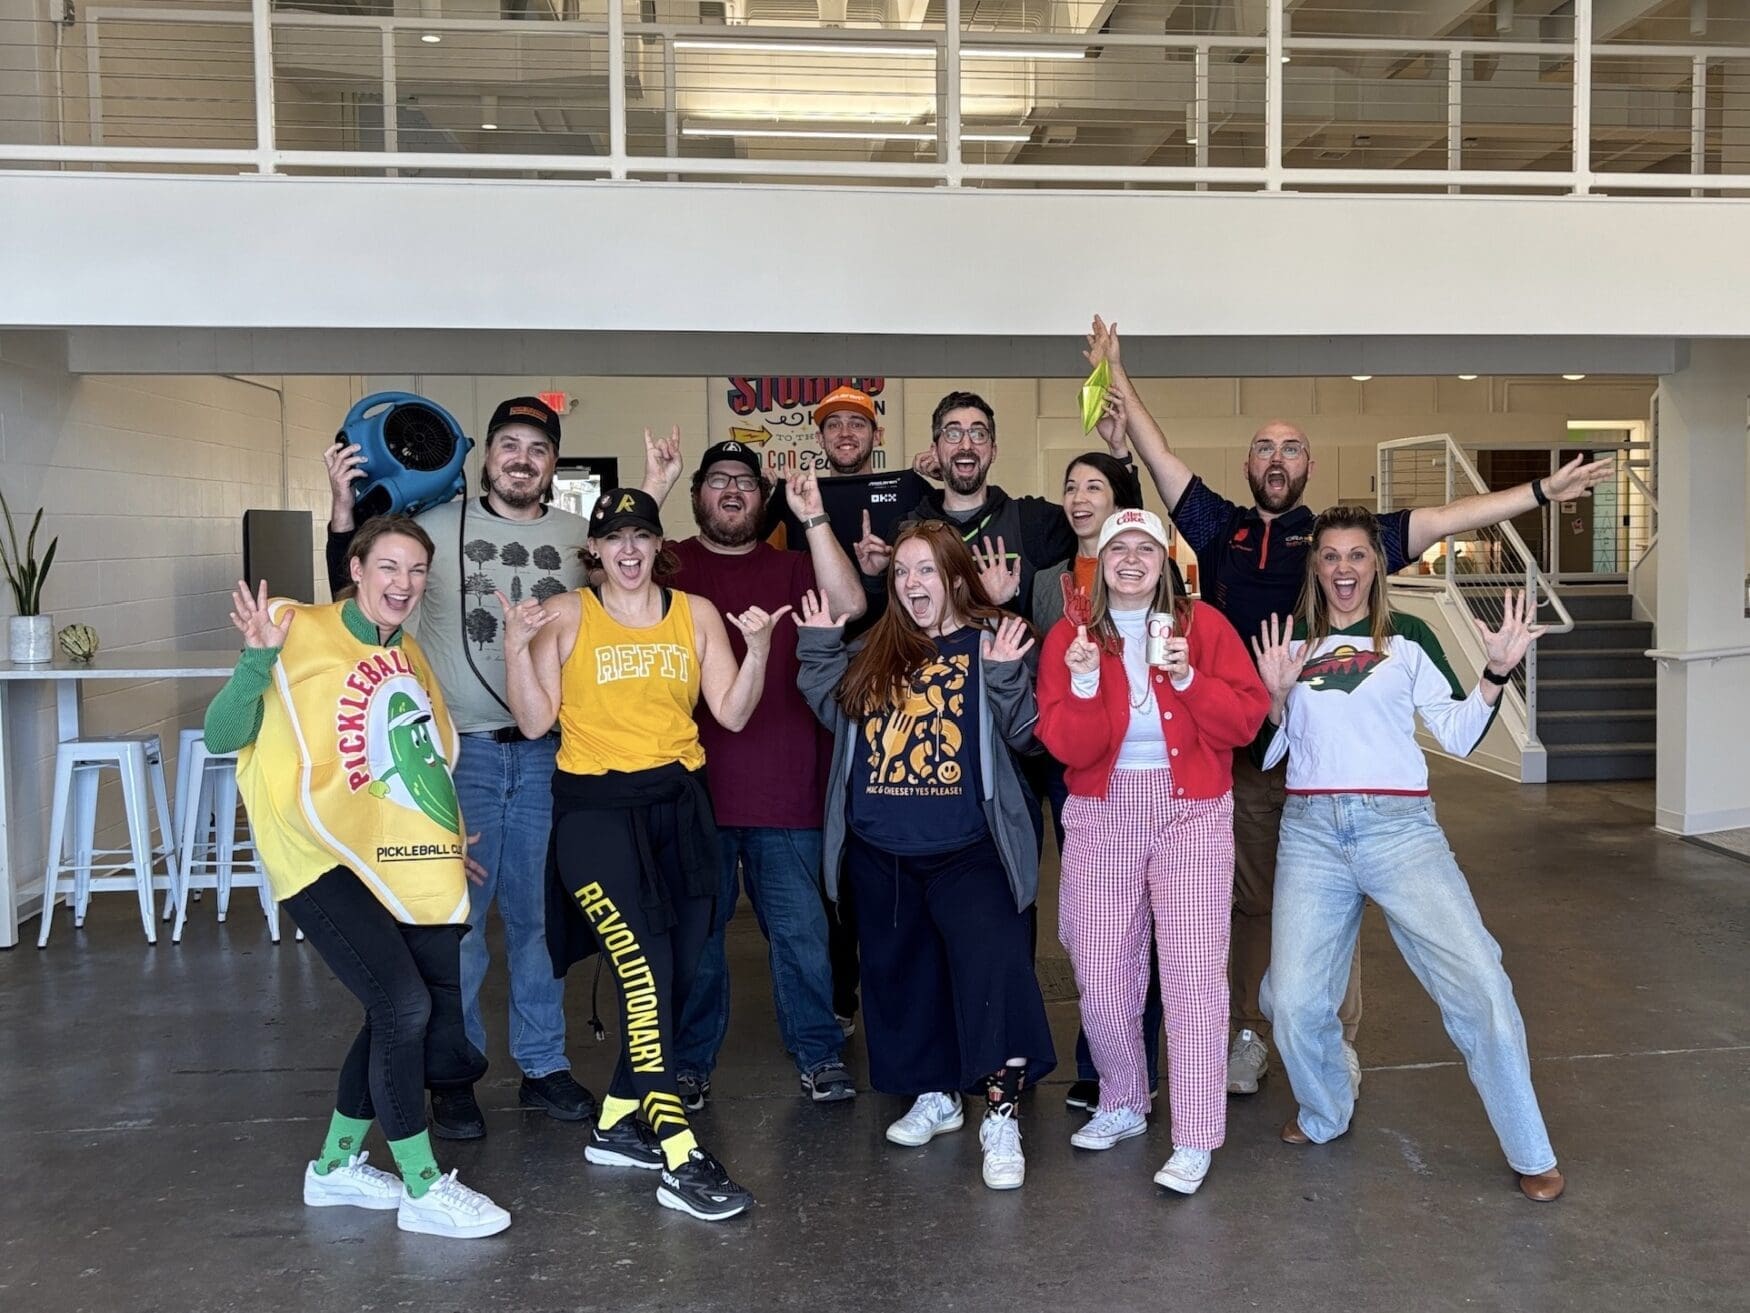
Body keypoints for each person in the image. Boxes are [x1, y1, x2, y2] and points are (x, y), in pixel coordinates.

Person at [1086, 315, 1616, 1098]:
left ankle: (1334, 1043)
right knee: (1239, 905)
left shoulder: (1337, 538)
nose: (1276, 458)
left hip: (1320, 760)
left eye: (1291, 447)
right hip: (1235, 750)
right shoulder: (1219, 526)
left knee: (1330, 912)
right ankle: (1247, 1034)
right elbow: (1157, 453)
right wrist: (1116, 373)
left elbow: (1446, 518)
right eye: (1263, 447)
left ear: (1307, 466)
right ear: (1247, 463)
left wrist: (1540, 491)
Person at [323, 398, 683, 1138]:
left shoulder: (574, 536)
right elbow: (357, 586)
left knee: (539, 920)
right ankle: (453, 1072)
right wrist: (340, 507)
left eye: (538, 448)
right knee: (457, 924)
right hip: (463, 756)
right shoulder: (437, 524)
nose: (523, 458)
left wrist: (658, 486)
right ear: (484, 454)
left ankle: (544, 1065)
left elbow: (630, 559)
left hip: (553, 754)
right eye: (509, 444)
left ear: (553, 462)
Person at [206, 515, 509, 1239]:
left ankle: (335, 1167)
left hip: (387, 857)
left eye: (416, 572)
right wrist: (255, 661)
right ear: (358, 565)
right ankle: (422, 1185)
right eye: (389, 567)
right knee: (404, 1007)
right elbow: (223, 735)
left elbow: (414, 765)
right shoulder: (292, 626)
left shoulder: (409, 659)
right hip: (311, 855)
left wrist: (441, 840)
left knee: (393, 1009)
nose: (403, 584)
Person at [1251, 506, 1564, 1202]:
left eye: (1356, 555)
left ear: (1376, 565)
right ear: (1316, 567)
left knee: (1480, 978)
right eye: (1329, 556)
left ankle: (1529, 1145)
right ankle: (1327, 1106)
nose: (1342, 568)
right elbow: (1272, 748)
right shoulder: (1290, 641)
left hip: (1400, 831)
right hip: (1312, 831)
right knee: (1295, 1001)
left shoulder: (1409, 636)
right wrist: (1275, 699)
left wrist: (1495, 672)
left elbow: (1455, 734)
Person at [500, 487, 787, 1223]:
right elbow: (534, 722)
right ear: (594, 550)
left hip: (680, 809)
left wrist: (756, 651)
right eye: (614, 538)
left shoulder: (692, 613)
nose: (629, 550)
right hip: (595, 817)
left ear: (662, 545)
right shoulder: (567, 614)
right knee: (645, 973)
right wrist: (513, 648)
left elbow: (731, 710)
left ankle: (612, 1126)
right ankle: (678, 1151)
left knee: (683, 972)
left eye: (642, 536)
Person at [795, 521, 1056, 1192]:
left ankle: (999, 1114)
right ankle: (936, 1095)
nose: (913, 582)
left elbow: (1030, 738)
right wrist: (820, 646)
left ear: (955, 576)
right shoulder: (874, 648)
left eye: (927, 570)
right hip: (882, 850)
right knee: (903, 981)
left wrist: (1002, 679)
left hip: (969, 848)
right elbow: (837, 713)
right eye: (903, 571)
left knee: (996, 974)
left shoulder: (990, 642)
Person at [1038, 508, 1269, 1194]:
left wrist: (1190, 679)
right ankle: (1124, 1097)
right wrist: (1082, 682)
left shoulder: (1207, 628)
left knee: (1195, 974)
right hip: (1103, 811)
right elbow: (1068, 748)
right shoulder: (1071, 638)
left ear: (1165, 561)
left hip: (1192, 808)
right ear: (1100, 561)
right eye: (1119, 548)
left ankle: (1196, 1134)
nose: (1132, 559)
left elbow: (1247, 719)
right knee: (1099, 962)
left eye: (1146, 548)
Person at [667, 441, 868, 1111]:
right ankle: (689, 1062)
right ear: (698, 493)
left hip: (788, 789)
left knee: (803, 935)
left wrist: (813, 518)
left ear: (763, 496)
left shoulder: (792, 566)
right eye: (718, 479)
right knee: (697, 940)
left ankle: (819, 1052)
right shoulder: (673, 564)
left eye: (745, 483)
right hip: (694, 791)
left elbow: (850, 606)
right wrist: (650, 484)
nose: (731, 490)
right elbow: (613, 576)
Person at [763, 384, 932, 1037]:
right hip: (821, 671)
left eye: (854, 426)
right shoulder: (793, 497)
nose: (843, 435)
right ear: (821, 436)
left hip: (897, 676)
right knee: (832, 839)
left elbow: (937, 563)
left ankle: (893, 991)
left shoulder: (911, 489)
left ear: (871, 434)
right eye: (832, 426)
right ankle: (838, 994)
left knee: (888, 832)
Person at [1030, 449, 1174, 1112]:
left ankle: (1129, 1066)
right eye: (1071, 485)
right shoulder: (1047, 578)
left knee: (1142, 922)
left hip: (1149, 769)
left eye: (1096, 484)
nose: (1081, 495)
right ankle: (1099, 1060)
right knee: (1093, 927)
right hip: (1076, 766)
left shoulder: (1153, 571)